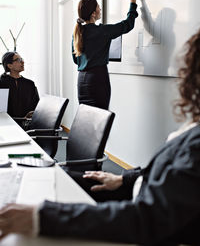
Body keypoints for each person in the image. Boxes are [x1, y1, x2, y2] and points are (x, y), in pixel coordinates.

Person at [1, 29, 200, 245]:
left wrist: (42, 217)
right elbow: (173, 171)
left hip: (142, 216)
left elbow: (149, 218)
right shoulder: (193, 128)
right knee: (50, 180)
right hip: (135, 189)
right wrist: (125, 178)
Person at [72, 0, 138, 109]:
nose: (100, 9)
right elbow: (128, 24)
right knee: (100, 120)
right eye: (98, 7)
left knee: (86, 119)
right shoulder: (101, 31)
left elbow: (76, 60)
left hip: (82, 81)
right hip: (97, 80)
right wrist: (133, 1)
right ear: (93, 13)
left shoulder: (77, 33)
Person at [0, 52, 39, 122]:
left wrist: (33, 113)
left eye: (22, 59)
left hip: (27, 123)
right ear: (10, 65)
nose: (23, 62)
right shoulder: (1, 83)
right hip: (5, 123)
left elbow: (37, 105)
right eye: (18, 60)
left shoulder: (30, 84)